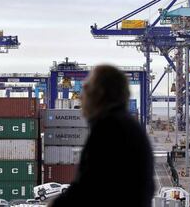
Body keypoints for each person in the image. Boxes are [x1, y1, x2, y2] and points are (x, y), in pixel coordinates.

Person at [50, 65, 154, 206]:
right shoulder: (126, 125)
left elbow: (87, 188)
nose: (80, 97)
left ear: (99, 93)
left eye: (85, 89)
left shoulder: (109, 129)